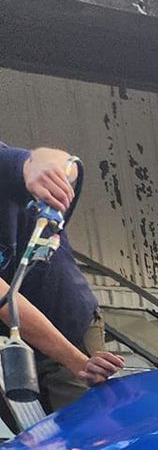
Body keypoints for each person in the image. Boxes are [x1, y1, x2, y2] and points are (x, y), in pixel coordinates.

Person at [0, 141, 121, 410]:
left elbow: (51, 161)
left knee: (90, 432)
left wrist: (45, 167)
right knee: (35, 443)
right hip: (14, 342)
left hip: (67, 323)